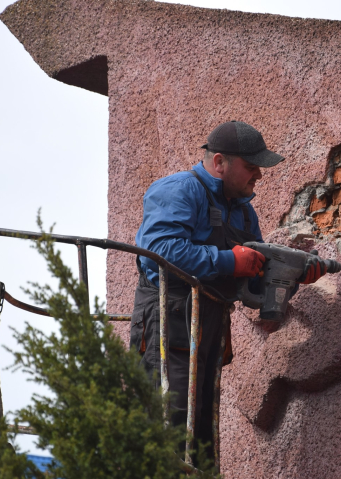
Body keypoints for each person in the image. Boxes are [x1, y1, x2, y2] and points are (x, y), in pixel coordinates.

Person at [129, 121, 326, 454]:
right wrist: (227, 261)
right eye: (251, 167)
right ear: (219, 163)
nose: (258, 176)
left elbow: (256, 278)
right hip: (169, 318)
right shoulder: (179, 190)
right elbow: (158, 252)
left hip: (209, 326)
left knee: (201, 437)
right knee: (170, 424)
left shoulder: (244, 213)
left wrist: (293, 276)